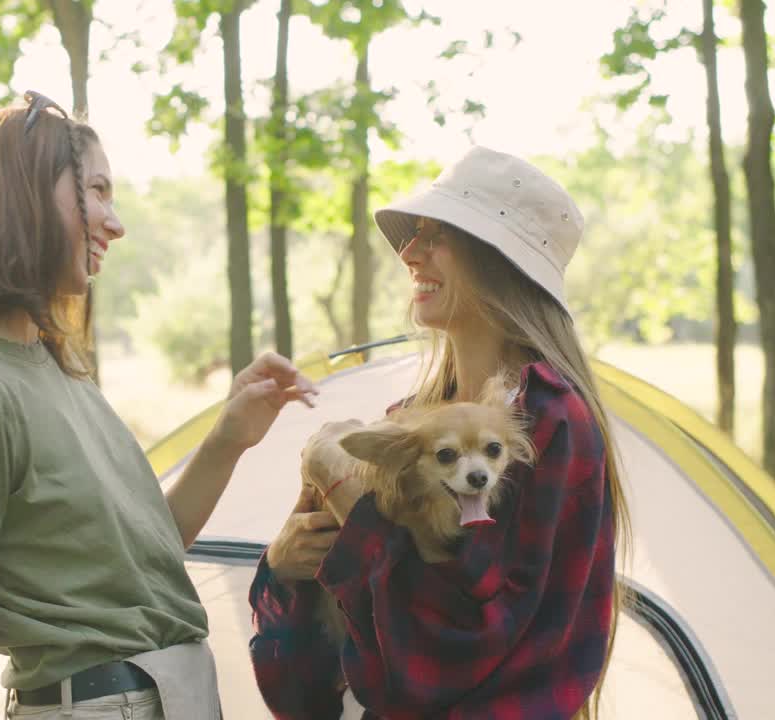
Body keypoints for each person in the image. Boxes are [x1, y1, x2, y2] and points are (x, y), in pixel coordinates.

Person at [0, 91, 318, 720]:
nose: (115, 221)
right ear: (23, 195)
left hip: (168, 691)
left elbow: (145, 559)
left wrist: (227, 438)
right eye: (98, 192)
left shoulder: (48, 362)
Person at [249, 146, 629, 720]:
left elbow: (454, 650)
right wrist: (283, 565)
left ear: (500, 261)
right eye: (413, 235)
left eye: (436, 235)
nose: (408, 253)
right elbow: (307, 687)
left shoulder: (549, 418)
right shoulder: (406, 422)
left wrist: (344, 489)